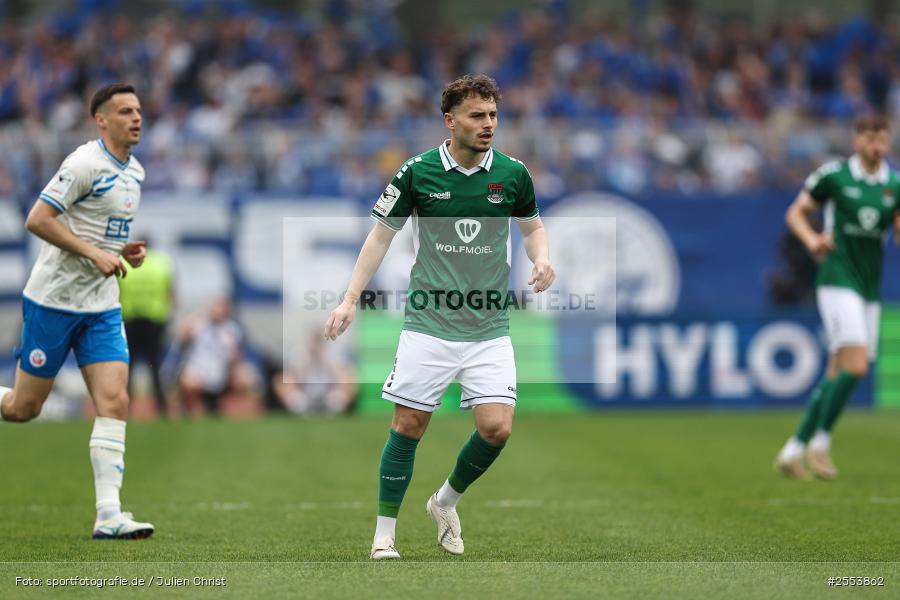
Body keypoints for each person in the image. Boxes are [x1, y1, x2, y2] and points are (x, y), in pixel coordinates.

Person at [324, 75, 556, 560]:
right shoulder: (418, 171)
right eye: (477, 115)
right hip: (430, 321)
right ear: (450, 121)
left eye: (493, 115)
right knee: (408, 424)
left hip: (489, 326)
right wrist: (349, 299)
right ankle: (384, 533)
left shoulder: (513, 174)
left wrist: (542, 256)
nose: (488, 124)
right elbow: (380, 238)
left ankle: (444, 502)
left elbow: (533, 228)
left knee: (497, 428)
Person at [0, 84, 155, 539]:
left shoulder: (136, 173)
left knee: (115, 400)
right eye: (125, 111)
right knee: (24, 408)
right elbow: (38, 220)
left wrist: (121, 250)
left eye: (139, 111)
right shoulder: (84, 164)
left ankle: (109, 514)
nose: (137, 118)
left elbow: (96, 230)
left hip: (101, 306)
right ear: (101, 120)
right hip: (53, 301)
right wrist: (93, 253)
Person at [775, 115, 900, 480]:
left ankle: (795, 449)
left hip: (868, 286)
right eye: (870, 138)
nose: (876, 146)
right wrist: (813, 241)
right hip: (836, 277)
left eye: (882, 139)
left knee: (839, 370)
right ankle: (817, 444)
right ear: (857, 140)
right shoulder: (834, 177)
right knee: (857, 365)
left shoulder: (894, 185)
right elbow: (796, 213)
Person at [118, 238, 174, 417]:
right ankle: (162, 409)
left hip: (130, 319)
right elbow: (170, 293)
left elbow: (117, 289)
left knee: (129, 368)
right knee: (155, 367)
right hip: (155, 320)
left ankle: (126, 409)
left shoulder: (125, 262)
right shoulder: (162, 264)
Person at [178, 296, 244, 416]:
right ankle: (192, 408)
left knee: (244, 379)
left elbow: (237, 356)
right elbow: (182, 335)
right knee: (188, 382)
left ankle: (228, 409)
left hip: (220, 373)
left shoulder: (232, 329)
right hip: (198, 372)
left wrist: (236, 372)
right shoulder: (200, 324)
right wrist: (194, 316)